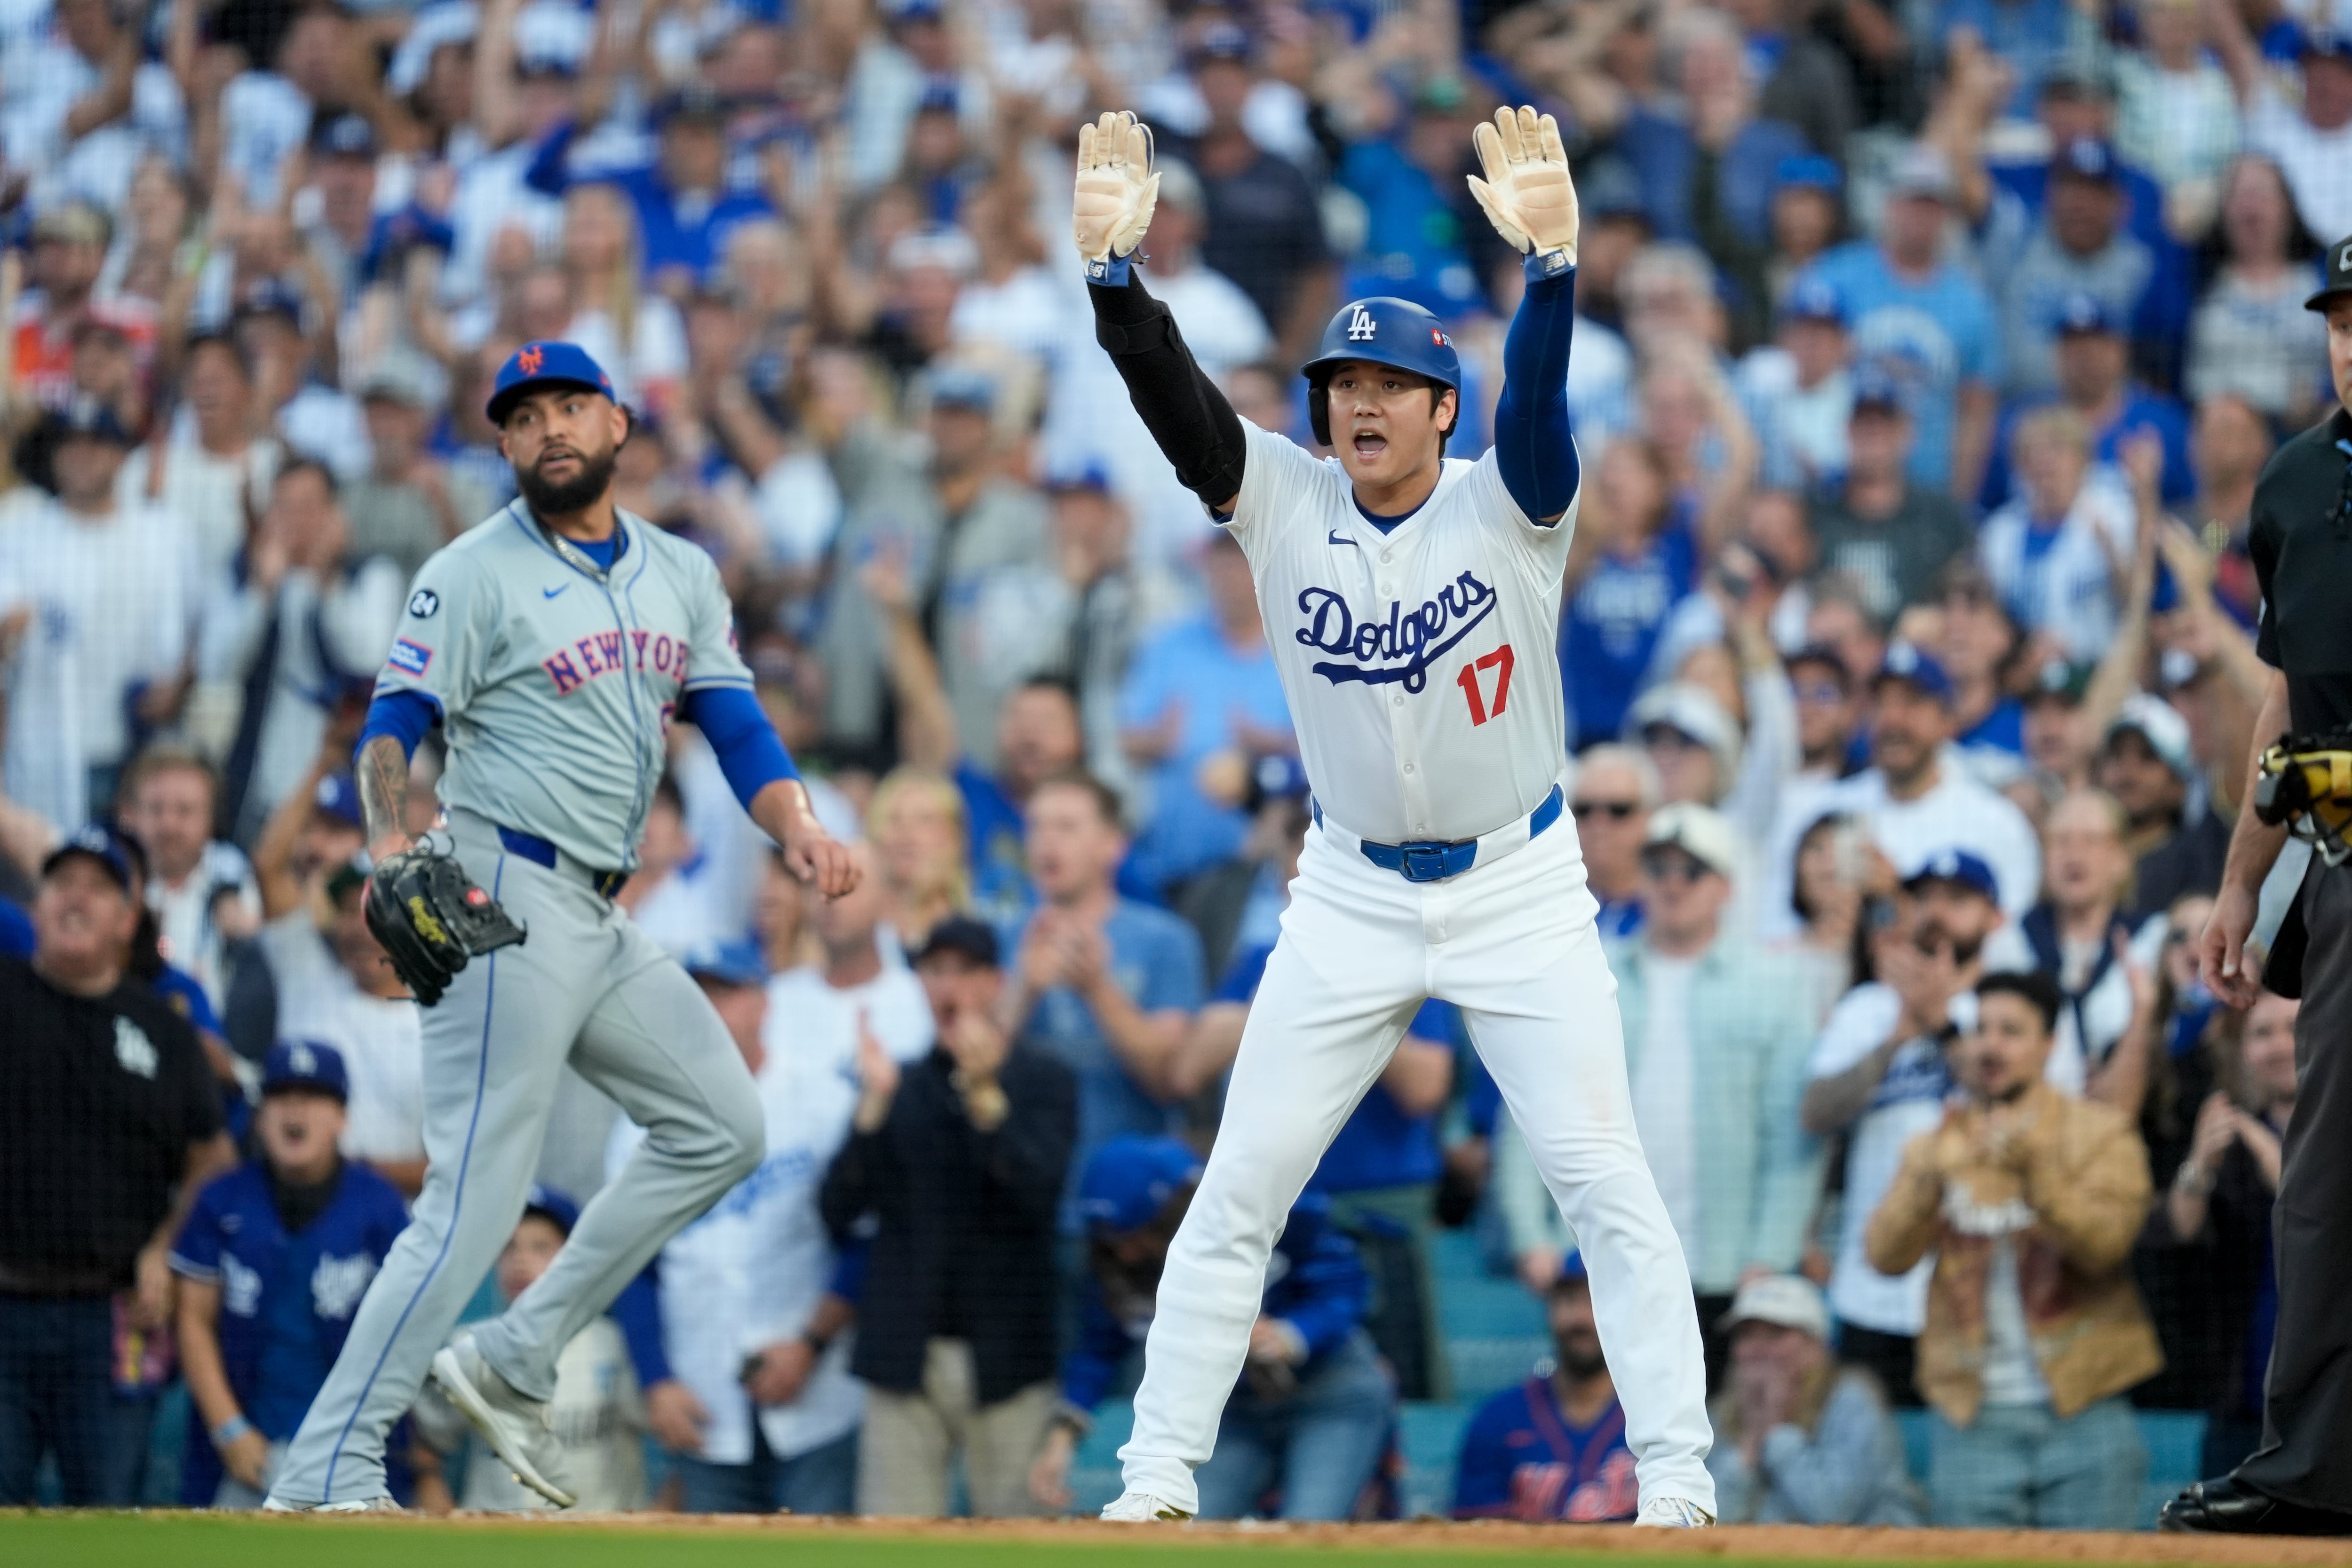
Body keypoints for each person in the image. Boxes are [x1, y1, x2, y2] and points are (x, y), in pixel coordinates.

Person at [1074, 106, 1716, 1526]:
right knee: (1236, 1179)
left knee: (1603, 1182)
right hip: (1351, 894)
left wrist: (1551, 278)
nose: (1356, 402)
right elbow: (1184, 413)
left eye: (1388, 382)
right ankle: (1153, 1478)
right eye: (1337, 381)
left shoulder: (1510, 506)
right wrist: (1120, 294)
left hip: (1520, 889)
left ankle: (1676, 1479)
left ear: (1442, 406)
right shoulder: (1285, 501)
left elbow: (1541, 419)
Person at [262, 341, 858, 1513]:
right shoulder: (470, 570)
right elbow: (391, 724)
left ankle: (517, 1350)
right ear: (502, 445)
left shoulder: (682, 570)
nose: (549, 427)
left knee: (721, 1124)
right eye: (523, 414)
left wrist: (799, 823)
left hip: (598, 906)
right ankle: (329, 1460)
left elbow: (736, 727)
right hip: (502, 889)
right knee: (475, 1197)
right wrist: (390, 847)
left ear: (620, 423)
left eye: (570, 405)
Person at [2164, 234, 2352, 1536]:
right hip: (2343, 867)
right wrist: (2240, 885)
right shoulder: (2289, 486)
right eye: (2341, 321)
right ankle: (2312, 1469)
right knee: (2328, 1180)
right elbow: (2282, 703)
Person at [1867, 970, 2161, 1531]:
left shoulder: (2099, 1134)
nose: (1990, 1044)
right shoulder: (1937, 1142)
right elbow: (1883, 1257)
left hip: (2086, 1408)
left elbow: (2108, 1247)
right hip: (1970, 1415)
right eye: (1979, 1029)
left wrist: (2037, 1174)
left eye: (2010, 1030)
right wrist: (1927, 1179)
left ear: (2048, 1045)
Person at [640, 932, 922, 1514]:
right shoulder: (643, 1119)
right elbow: (630, 1267)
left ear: (763, 1003)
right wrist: (654, 1377)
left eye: (724, 994)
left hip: (816, 1390)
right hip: (702, 1399)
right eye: (695, 996)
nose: (707, 1011)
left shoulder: (820, 1099)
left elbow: (869, 1236)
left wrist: (811, 1343)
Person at [0, 824, 235, 1505]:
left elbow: (214, 1158)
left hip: (116, 1317)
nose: (76, 898)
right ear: (37, 903)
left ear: (128, 919)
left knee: (107, 1514)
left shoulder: (163, 1028)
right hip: (3, 1303)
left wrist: (167, 1244)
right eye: (62, 883)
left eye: (98, 888)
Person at [818, 916, 1076, 1518]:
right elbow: (836, 1211)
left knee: (1019, 1547)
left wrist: (986, 1095)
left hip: (1009, 1351)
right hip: (906, 1352)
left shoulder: (1044, 1080)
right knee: (892, 1544)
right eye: (933, 970)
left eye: (963, 970)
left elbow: (1040, 1194)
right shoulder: (899, 1083)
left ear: (994, 982)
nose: (946, 986)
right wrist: (871, 1109)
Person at [1032, 1136, 1392, 1521]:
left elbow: (1347, 1287)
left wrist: (1292, 1333)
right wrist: (1062, 1438)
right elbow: (1098, 1348)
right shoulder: (1118, 1266)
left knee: (1309, 1524)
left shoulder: (1270, 1204)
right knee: (1196, 1528)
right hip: (1230, 1411)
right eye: (1114, 1241)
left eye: (1139, 1234)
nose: (1126, 1252)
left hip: (1329, 1394)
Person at [1601, 804, 1822, 1386]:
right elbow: (1545, 1109)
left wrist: (1768, 1257)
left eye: (1691, 871)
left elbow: (1792, 1136)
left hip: (1726, 1266)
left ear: (1723, 886)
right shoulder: (1595, 972)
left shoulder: (1776, 983)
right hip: (1613, 1262)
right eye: (1658, 868)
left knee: (1717, 1444)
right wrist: (1536, 1237)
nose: (1672, 884)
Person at [1803, 853, 2007, 1407]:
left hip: (1977, 1297)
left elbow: (2014, 1109)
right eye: (1925, 898)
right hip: (1870, 1288)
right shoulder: (1867, 1008)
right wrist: (1895, 1038)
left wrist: (1940, 1021)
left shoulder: (2011, 1007)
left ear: (1995, 918)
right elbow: (1815, 1112)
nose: (1937, 913)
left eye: (1957, 899)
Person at [170, 1042, 410, 1509]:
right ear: (260, 1116)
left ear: (342, 1117)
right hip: (244, 1443)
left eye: (314, 1096)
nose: (295, 1107)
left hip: (351, 1450)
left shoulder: (379, 1203)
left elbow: (404, 1332)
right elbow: (194, 1319)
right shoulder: (222, 1198)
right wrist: (229, 1428)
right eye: (280, 1095)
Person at [999, 771, 1204, 1221]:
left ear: (1113, 846)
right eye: (1037, 826)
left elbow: (1167, 1077)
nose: (1047, 841)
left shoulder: (1166, 939)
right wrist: (1024, 991)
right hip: (1026, 1203)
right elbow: (973, 1072)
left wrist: (1096, 987)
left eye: (1067, 827)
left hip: (1134, 1210)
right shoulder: (1005, 937)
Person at [0, 397, 202, 829]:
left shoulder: (164, 532)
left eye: (96, 444)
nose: (81, 456)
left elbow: (202, 629)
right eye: (69, 445)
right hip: (45, 755)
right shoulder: (19, 530)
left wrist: (183, 681)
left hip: (140, 755)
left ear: (121, 454)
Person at [1762, 643, 2042, 942]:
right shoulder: (1826, 809)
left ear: (1947, 720)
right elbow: (1774, 925)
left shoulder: (1996, 822)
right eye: (1881, 703)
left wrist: (1897, 900)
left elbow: (2009, 947)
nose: (1892, 720)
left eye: (1912, 703)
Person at [414, 1188, 648, 1512]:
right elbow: (425, 1443)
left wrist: (660, 1513)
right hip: (495, 1539)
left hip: (597, 1537)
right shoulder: (467, 1348)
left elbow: (670, 1435)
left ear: (575, 1259)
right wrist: (435, 1498)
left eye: (541, 1247)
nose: (520, 1260)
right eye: (508, 1247)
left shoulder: (612, 1344)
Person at [2164, 990, 2296, 1480]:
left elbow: (2317, 1211)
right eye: (2261, 1033)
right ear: (2242, 1051)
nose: (2280, 1045)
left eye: (2293, 1028)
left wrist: (2269, 1151)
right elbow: (2180, 1230)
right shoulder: (2228, 1137)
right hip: (2242, 1394)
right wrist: (2198, 1163)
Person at [1703, 1274, 1922, 1526]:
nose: (1758, 1348)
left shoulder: (1853, 1401)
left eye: (1776, 1334)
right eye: (1747, 1336)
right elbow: (1708, 1520)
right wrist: (1749, 1446)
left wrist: (1777, 1430)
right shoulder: (1723, 1410)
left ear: (1815, 1345)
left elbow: (1833, 1512)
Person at [1452, 1255, 1638, 1522]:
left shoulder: (1660, 1419)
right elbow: (1473, 1539)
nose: (1582, 1318)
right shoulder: (1497, 1420)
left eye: (1598, 1301)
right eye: (1569, 1301)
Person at [1804, 369, 1975, 625]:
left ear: (1907, 433)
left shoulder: (1941, 517)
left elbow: (1967, 596)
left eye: (1884, 424)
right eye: (1863, 423)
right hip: (1834, 656)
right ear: (1847, 431)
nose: (1872, 433)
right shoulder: (1815, 513)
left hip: (1916, 656)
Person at [117, 746, 259, 1016]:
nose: (169, 825)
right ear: (129, 814)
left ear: (211, 817)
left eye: (184, 811)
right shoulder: (112, 881)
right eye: (156, 809)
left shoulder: (240, 878)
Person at [1569, 745, 1659, 940]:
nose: (1599, 825)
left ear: (1650, 816)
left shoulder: (1677, 903)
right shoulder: (1551, 903)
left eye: (1619, 810)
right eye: (1584, 810)